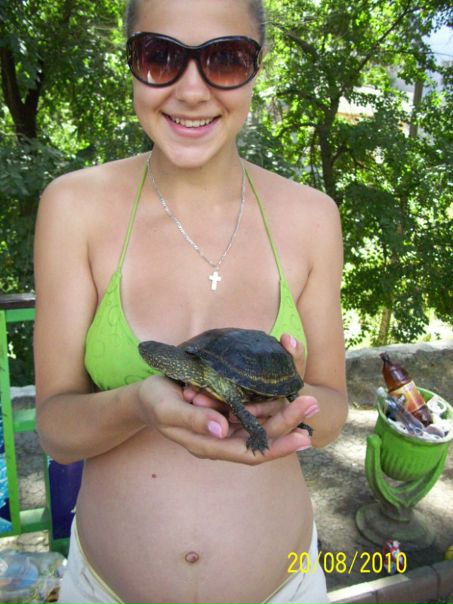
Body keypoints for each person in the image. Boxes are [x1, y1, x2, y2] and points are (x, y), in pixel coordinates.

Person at [33, 0, 348, 602]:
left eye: (225, 59)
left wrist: (286, 407)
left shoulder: (312, 217)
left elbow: (332, 411)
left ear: (257, 66)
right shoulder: (73, 208)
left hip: (288, 587)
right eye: (161, 56)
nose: (192, 90)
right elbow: (56, 430)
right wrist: (139, 404)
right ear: (131, 60)